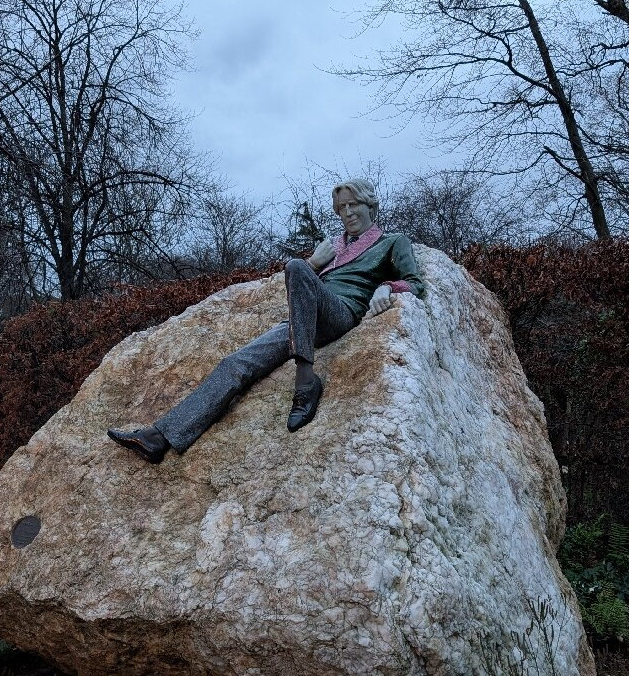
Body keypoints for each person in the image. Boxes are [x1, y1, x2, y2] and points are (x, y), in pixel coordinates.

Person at [108, 178, 425, 463]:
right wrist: (315, 264)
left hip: (342, 313)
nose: (347, 213)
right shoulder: (332, 247)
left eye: (353, 205)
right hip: (303, 323)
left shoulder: (392, 242)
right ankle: (158, 438)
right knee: (235, 363)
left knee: (295, 267)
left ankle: (305, 382)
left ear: (371, 205)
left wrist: (387, 286)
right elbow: (298, 285)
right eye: (341, 208)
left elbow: (416, 282)